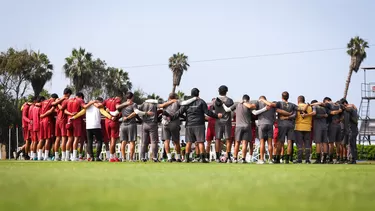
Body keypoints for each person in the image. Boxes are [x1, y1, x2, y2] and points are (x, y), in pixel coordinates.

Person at [164, 88, 222, 163]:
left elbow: (179, 112)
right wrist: (217, 116)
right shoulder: (201, 102)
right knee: (200, 142)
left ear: (191, 94)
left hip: (189, 125)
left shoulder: (187, 103)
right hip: (199, 124)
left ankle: (187, 158)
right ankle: (202, 158)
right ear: (198, 94)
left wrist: (171, 118)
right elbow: (207, 112)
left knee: (189, 142)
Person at [71, 97, 113, 161]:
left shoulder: (87, 106)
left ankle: (91, 157)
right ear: (99, 102)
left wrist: (74, 117)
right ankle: (97, 157)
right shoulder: (99, 107)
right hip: (96, 126)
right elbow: (104, 112)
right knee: (99, 141)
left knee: (89, 142)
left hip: (88, 126)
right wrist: (110, 117)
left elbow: (81, 112)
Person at [212, 85, 234, 163]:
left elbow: (212, 110)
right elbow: (232, 110)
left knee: (217, 139)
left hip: (218, 121)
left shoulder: (215, 101)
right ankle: (228, 157)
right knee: (228, 139)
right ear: (226, 91)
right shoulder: (230, 101)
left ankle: (217, 157)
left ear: (219, 91)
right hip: (227, 121)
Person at [232, 94, 256, 163]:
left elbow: (228, 110)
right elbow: (253, 108)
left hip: (238, 126)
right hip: (247, 126)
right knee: (244, 143)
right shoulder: (249, 105)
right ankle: (243, 159)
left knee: (237, 143)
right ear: (248, 100)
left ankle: (235, 158)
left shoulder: (237, 104)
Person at [116, 92, 139, 162]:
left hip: (123, 125)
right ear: (132, 97)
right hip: (131, 124)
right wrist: (128, 117)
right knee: (132, 141)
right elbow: (136, 112)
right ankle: (131, 158)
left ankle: (123, 158)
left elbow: (117, 109)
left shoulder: (122, 105)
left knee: (123, 142)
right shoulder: (134, 104)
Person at [63, 92, 86, 161]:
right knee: (76, 138)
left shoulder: (68, 100)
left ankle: (67, 157)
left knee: (69, 139)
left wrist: (70, 113)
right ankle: (74, 157)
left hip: (69, 120)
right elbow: (84, 107)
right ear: (81, 97)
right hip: (77, 120)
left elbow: (63, 110)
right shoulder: (80, 100)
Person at [255, 96, 276, 164]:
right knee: (270, 143)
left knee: (262, 143)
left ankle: (261, 159)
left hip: (261, 124)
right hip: (270, 124)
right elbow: (274, 117)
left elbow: (255, 113)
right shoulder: (271, 106)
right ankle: (270, 159)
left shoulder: (258, 104)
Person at [323, 97, 343, 164]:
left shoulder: (327, 106)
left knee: (331, 143)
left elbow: (333, 112)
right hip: (338, 125)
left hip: (332, 125)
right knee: (338, 143)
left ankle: (331, 159)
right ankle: (338, 159)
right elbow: (342, 116)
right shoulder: (338, 105)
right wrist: (339, 111)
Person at [39, 94, 59, 160]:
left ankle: (39, 156)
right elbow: (51, 111)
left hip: (42, 121)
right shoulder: (52, 102)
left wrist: (42, 115)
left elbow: (37, 105)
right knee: (48, 139)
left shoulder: (43, 102)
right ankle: (46, 156)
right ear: (55, 98)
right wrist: (44, 115)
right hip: (48, 121)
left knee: (42, 139)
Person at [53, 88, 72, 161]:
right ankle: (64, 156)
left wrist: (57, 103)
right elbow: (62, 109)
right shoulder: (66, 100)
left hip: (57, 119)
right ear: (68, 94)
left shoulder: (58, 99)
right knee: (64, 138)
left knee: (57, 138)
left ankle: (56, 156)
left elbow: (55, 106)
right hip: (63, 120)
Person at [294, 95, 313, 164]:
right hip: (308, 128)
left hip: (299, 127)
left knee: (299, 144)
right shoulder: (310, 108)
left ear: (298, 100)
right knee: (307, 144)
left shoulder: (297, 107)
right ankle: (307, 160)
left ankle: (299, 159)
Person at [104, 94, 122, 162]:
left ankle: (114, 156)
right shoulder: (118, 101)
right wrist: (117, 116)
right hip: (114, 122)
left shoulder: (107, 100)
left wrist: (107, 111)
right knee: (113, 140)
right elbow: (118, 111)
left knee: (111, 140)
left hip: (107, 121)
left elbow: (101, 107)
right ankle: (111, 157)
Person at [341, 99, 358, 164]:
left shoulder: (351, 109)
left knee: (351, 145)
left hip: (352, 130)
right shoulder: (354, 110)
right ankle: (353, 159)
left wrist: (343, 106)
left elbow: (348, 109)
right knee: (352, 144)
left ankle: (352, 159)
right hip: (353, 130)